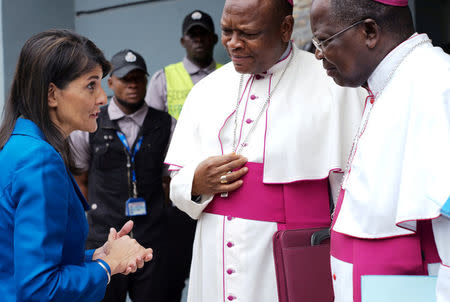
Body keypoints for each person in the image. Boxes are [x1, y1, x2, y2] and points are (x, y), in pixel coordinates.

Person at [164, 0, 365, 301]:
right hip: (214, 258)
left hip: (292, 259)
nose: (233, 44)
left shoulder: (334, 86)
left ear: (285, 29)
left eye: (248, 33)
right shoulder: (206, 90)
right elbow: (177, 182)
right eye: (227, 32)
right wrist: (195, 183)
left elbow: (352, 194)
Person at [309, 0, 450, 301]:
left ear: (369, 31)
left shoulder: (436, 84)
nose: (318, 53)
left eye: (324, 40)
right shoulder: (389, 83)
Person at [0, 29, 153, 302]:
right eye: (91, 85)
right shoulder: (39, 161)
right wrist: (107, 267)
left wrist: (97, 256)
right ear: (52, 95)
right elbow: (39, 289)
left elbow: (20, 261)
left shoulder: (18, 146)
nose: (103, 98)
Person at [70, 49, 172, 302]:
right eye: (126, 79)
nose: (133, 84)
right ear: (112, 82)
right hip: (104, 239)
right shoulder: (91, 122)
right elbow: (80, 176)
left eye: (138, 78)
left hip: (152, 239)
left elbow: (168, 180)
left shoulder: (166, 123)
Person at [145, 10, 222, 301]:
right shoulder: (164, 78)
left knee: (214, 273)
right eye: (193, 34)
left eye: (204, 33)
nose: (199, 39)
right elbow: (149, 134)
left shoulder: (232, 75)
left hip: (218, 188)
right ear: (183, 40)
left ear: (215, 38)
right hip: (175, 192)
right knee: (172, 274)